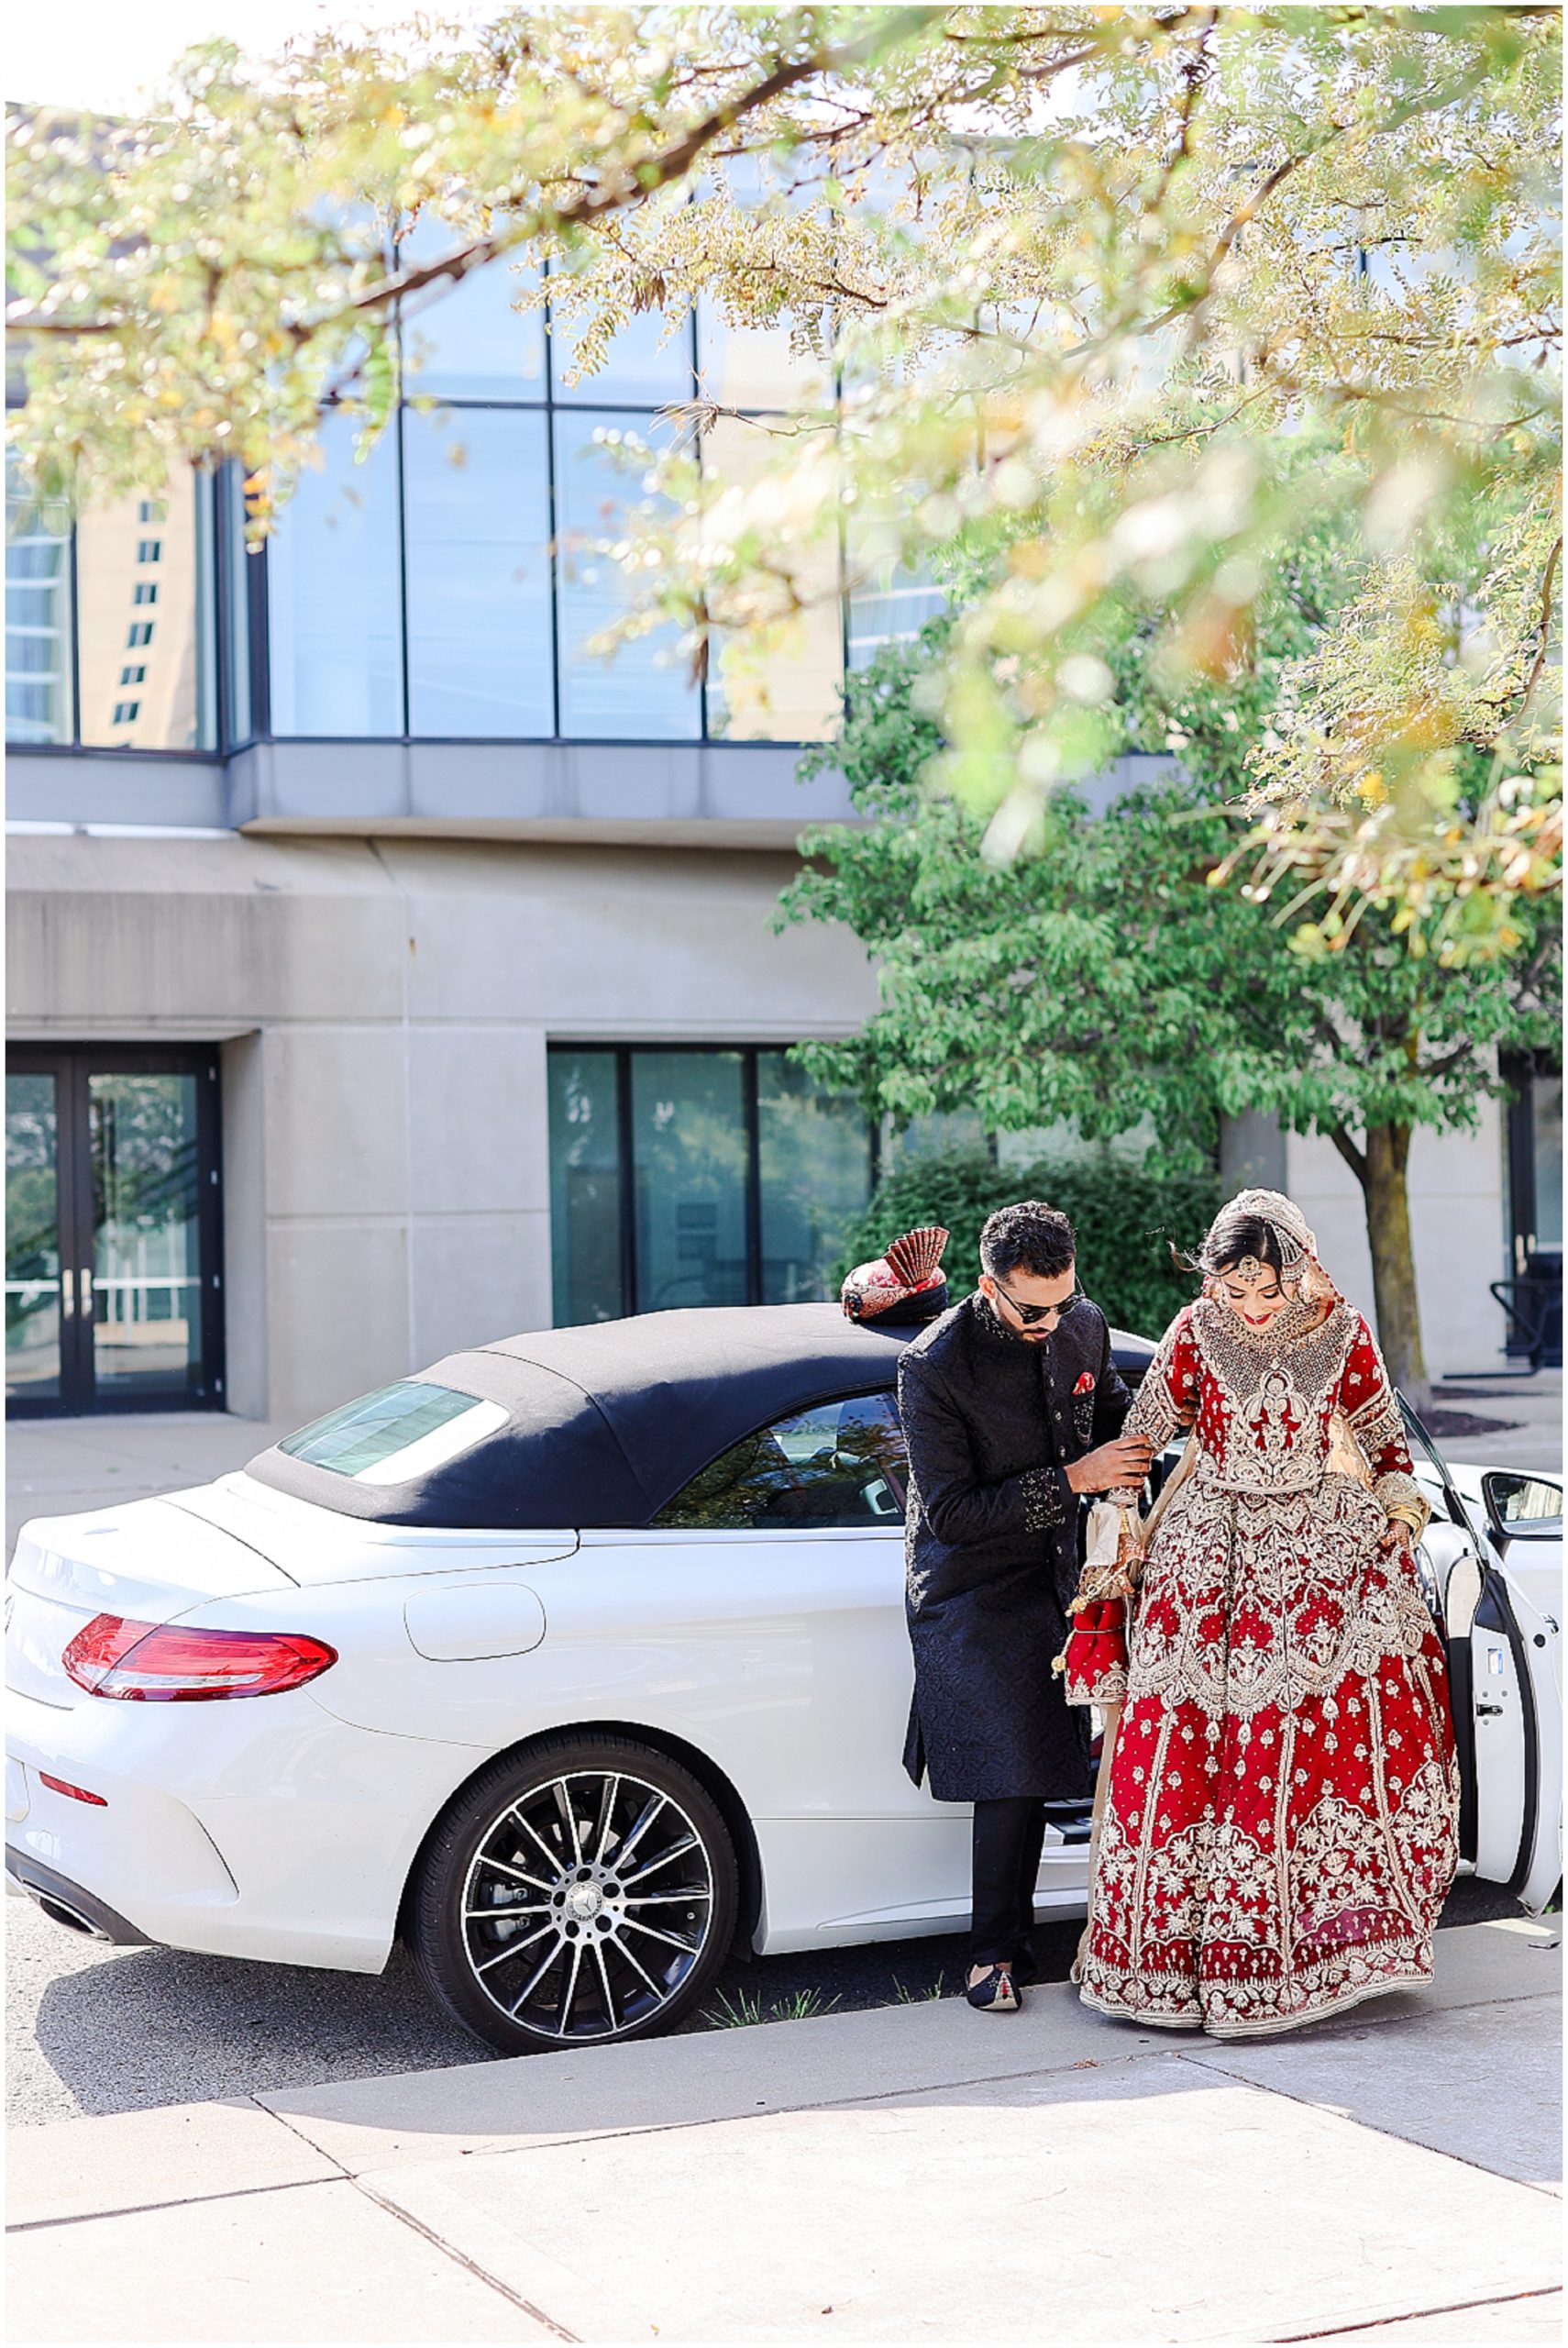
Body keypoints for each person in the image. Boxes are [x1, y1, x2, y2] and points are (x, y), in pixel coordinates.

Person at [1064, 1187, 1459, 2039]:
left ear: (1301, 1271)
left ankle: (1305, 1954)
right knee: (1186, 1741)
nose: (1247, 1307)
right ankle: (1166, 1966)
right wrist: (1120, 1519)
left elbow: (1387, 1443)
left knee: (1302, 1741)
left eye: (1266, 1291)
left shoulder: (1344, 1334)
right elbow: (1141, 1437)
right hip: (1204, 1556)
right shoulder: (1193, 1333)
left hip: (1319, 1553)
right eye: (1233, 1290)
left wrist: (1398, 1516)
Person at [895, 1201, 1154, 2014]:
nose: (1053, 1321)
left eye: (1065, 1301)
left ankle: (1050, 1944)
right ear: (988, 1287)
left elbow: (1111, 1414)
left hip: (1063, 1573)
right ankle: (989, 1957)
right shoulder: (933, 1365)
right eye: (1033, 1308)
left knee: (1048, 1763)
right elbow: (950, 1513)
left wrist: (1161, 1459)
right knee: (1009, 1770)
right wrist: (1077, 1479)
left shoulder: (1082, 1324)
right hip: (967, 1584)